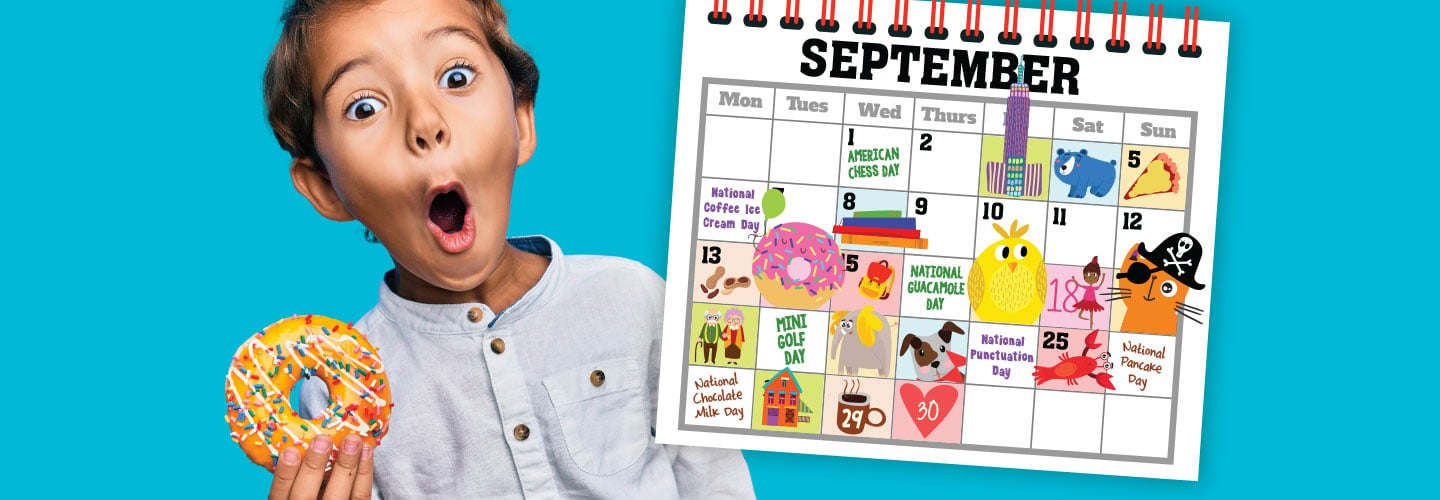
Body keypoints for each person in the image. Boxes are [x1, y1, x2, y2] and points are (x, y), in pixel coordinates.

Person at [260, 0, 753, 497]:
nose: (425, 123)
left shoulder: (636, 298)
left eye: (455, 77)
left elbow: (716, 481)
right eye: (364, 107)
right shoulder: (341, 394)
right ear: (324, 186)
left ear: (520, 118)